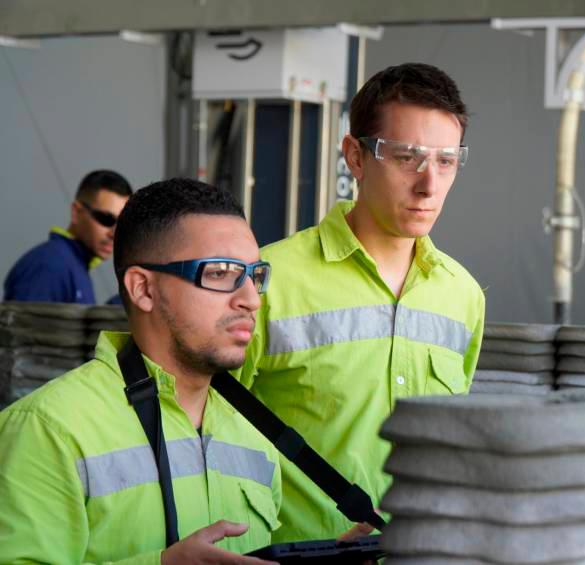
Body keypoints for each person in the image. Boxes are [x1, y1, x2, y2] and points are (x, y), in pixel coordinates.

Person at [238, 62, 486, 542]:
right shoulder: (267, 281)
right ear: (355, 156)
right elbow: (205, 433)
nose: (429, 184)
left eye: (446, 161)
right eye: (407, 157)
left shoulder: (463, 296)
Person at [0, 179, 283, 564]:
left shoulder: (257, 435)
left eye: (255, 275)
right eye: (220, 273)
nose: (251, 299)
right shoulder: (49, 430)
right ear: (143, 289)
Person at [3, 169, 132, 304]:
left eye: (122, 223)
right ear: (76, 212)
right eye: (106, 219)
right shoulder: (50, 265)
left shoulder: (72, 265)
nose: (114, 233)